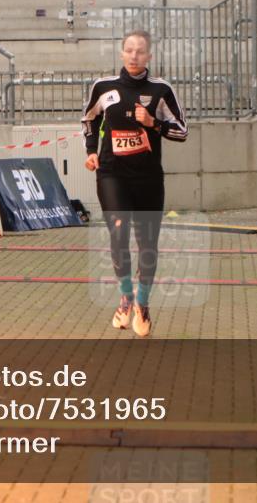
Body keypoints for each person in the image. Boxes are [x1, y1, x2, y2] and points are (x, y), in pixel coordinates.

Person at [81, 30, 188, 337]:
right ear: (121, 53)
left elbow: (182, 131)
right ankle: (126, 297)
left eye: (140, 51)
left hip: (148, 178)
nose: (133, 55)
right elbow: (89, 120)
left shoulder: (161, 90)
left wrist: (153, 123)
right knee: (118, 234)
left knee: (148, 246)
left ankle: (142, 303)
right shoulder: (104, 87)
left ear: (149, 56)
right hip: (112, 174)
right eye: (128, 50)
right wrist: (91, 152)